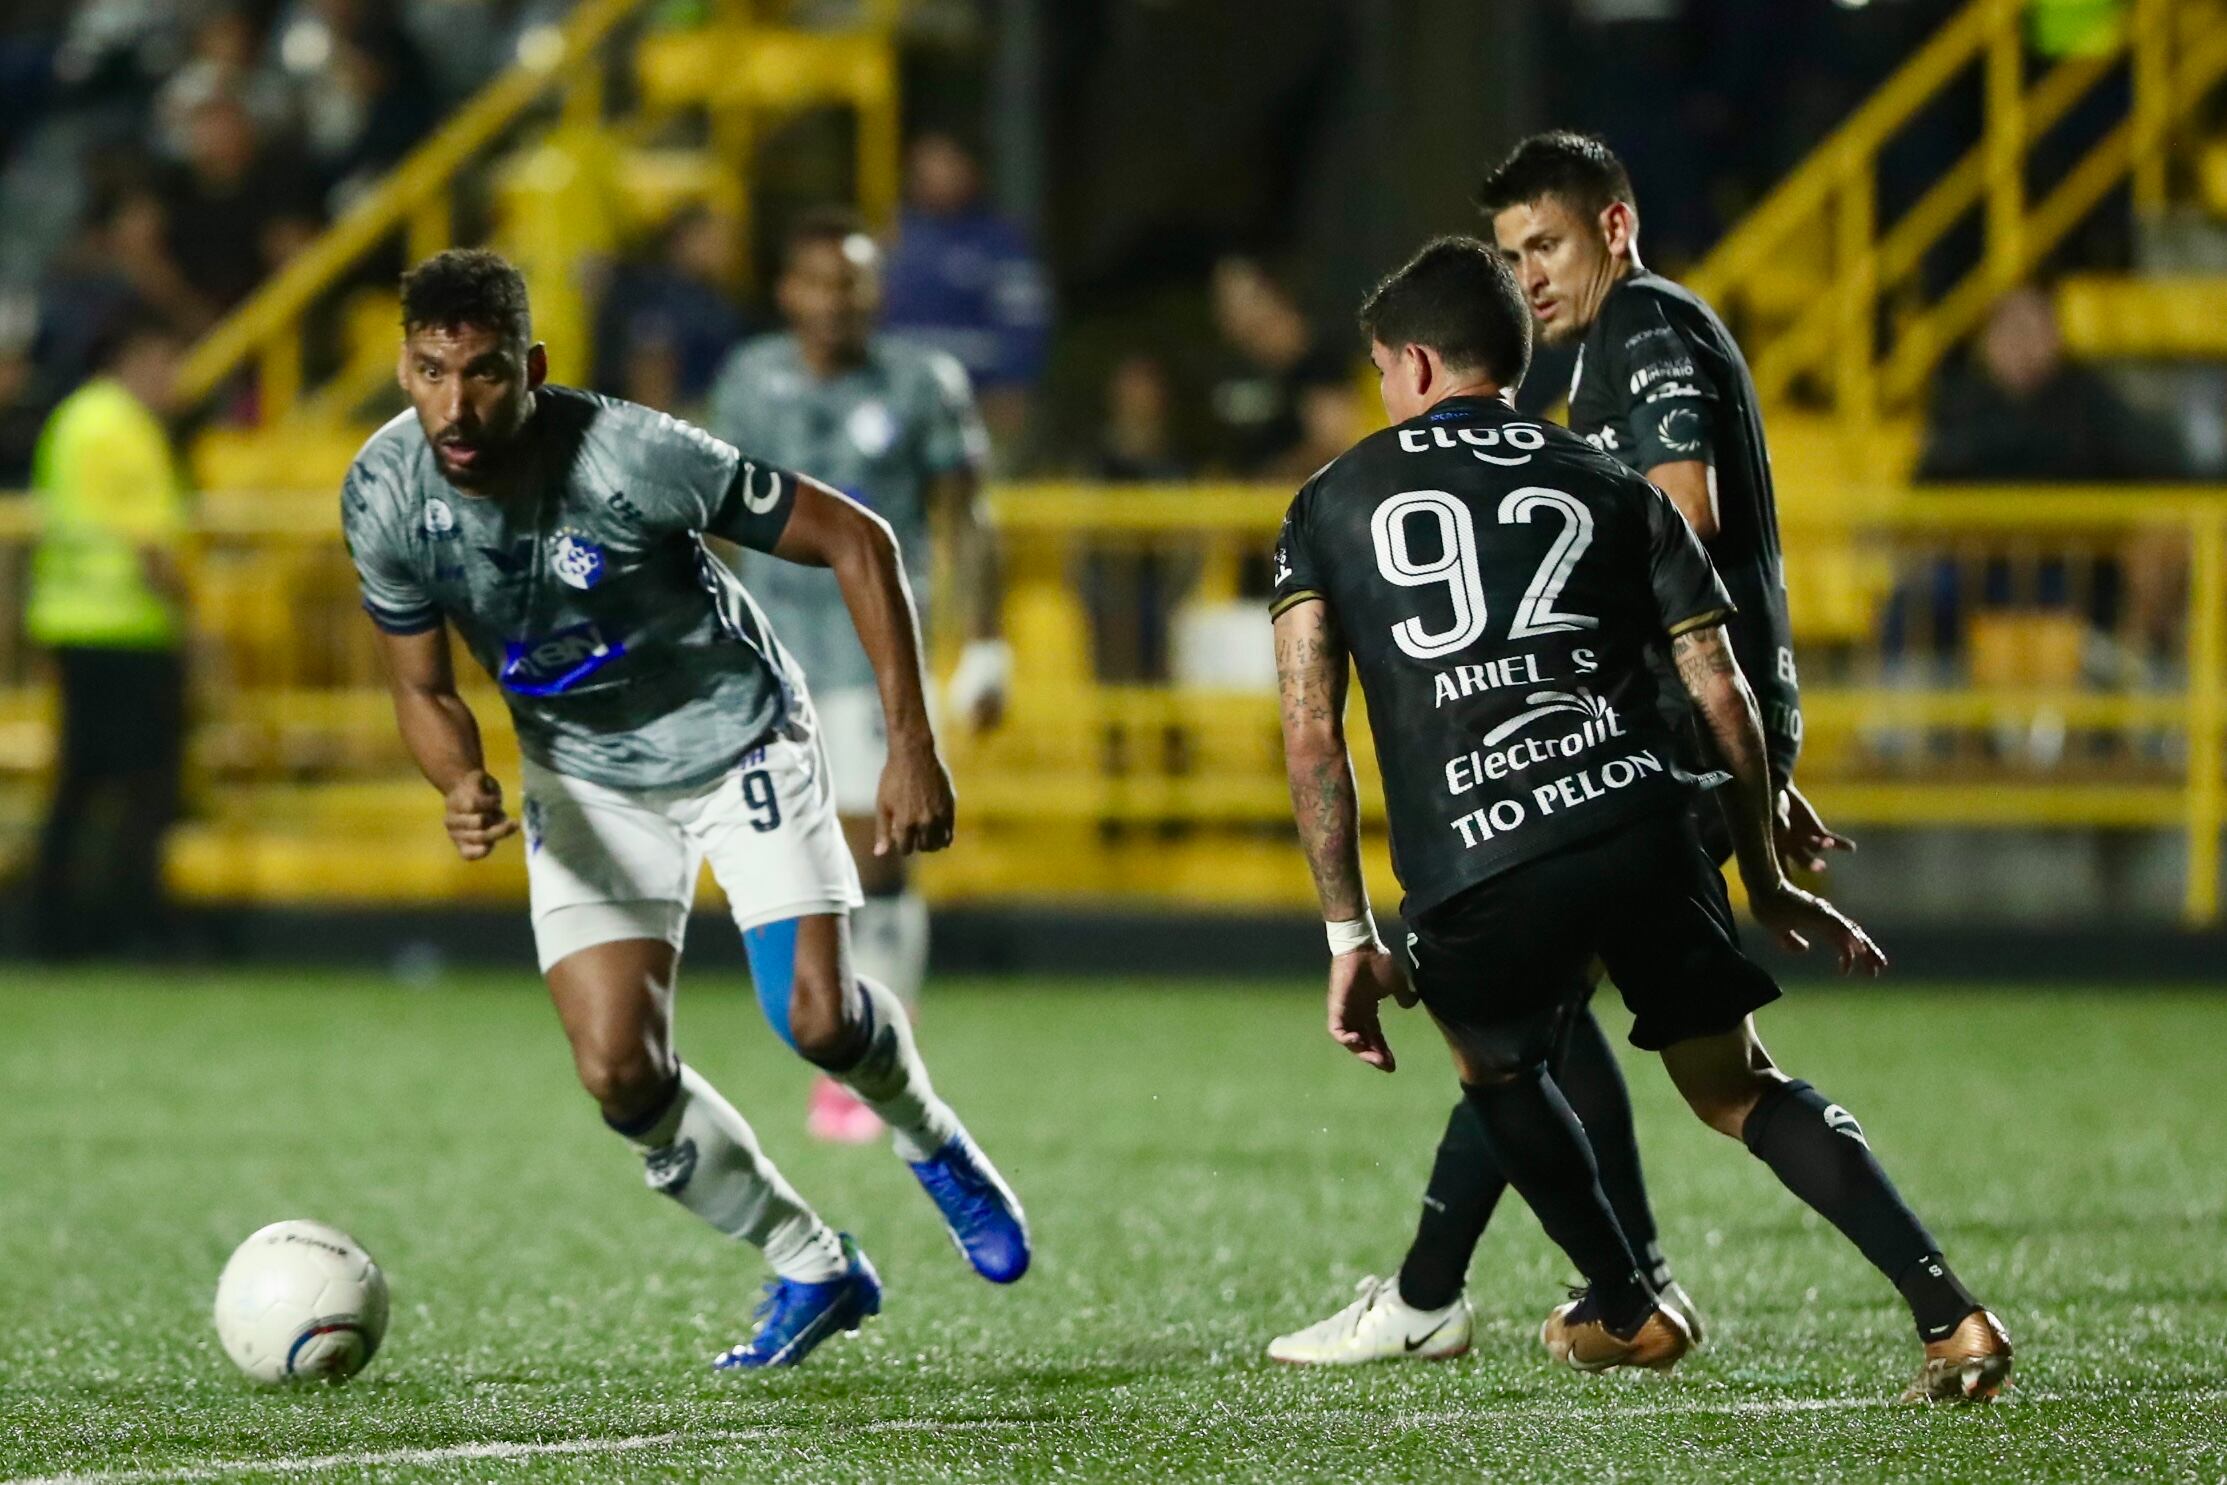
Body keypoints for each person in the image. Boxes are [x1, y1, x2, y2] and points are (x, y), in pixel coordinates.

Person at [1268, 235, 2010, 1400]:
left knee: (1500, 1068)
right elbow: (1719, 690)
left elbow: (1311, 732)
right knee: (1737, 1089)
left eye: (1379, 367)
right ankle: (1951, 1317)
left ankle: (1625, 1304)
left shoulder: (1327, 501)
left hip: (1480, 851)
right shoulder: (1609, 479)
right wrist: (1762, 876)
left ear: (1412, 363)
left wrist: (1346, 934)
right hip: (1637, 821)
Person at [341, 249, 1029, 1369]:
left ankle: (928, 1136)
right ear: (404, 368)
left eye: (484, 374)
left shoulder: (629, 454)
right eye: (430, 373)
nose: (455, 407)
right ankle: (810, 1262)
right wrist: (457, 778)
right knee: (616, 1070)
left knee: (814, 1020)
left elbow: (858, 539)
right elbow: (420, 686)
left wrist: (913, 743)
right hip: (582, 776)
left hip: (735, 739)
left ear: (534, 368)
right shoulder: (380, 492)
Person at [1269, 130, 1833, 1367]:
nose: (1528, 274)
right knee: (1537, 1017)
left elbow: (1677, 515)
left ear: (1614, 228)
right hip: (1676, 721)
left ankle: (1512, 1298)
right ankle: (1544, 1292)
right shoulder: (1598, 375)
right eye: (1513, 252)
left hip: (1652, 726)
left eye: (1547, 243)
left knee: (1533, 1021)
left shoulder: (1636, 329)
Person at [708, 211, 1008, 1144]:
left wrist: (988, 643)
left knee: (881, 849)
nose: (835, 301)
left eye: (852, 283)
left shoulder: (922, 383)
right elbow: (713, 513)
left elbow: (969, 514)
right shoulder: (749, 382)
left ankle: (874, 1048)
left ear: (874, 293)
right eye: (817, 282)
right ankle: (852, 1034)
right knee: (800, 859)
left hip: (880, 652)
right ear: (787, 291)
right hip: (775, 653)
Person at [26, 308, 191, 961]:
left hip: (72, 621)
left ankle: (54, 928)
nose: (174, 378)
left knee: (81, 784)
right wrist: (192, 617)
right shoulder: (125, 428)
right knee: (143, 787)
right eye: (167, 361)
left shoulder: (74, 418)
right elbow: (149, 542)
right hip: (127, 628)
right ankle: (127, 927)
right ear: (138, 356)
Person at [880, 132, 1051, 459]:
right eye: (925, 165)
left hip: (979, 404)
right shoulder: (895, 237)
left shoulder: (1000, 243)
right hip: (899, 405)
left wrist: (1013, 384)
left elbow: (1025, 324)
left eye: (946, 162)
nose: (934, 174)